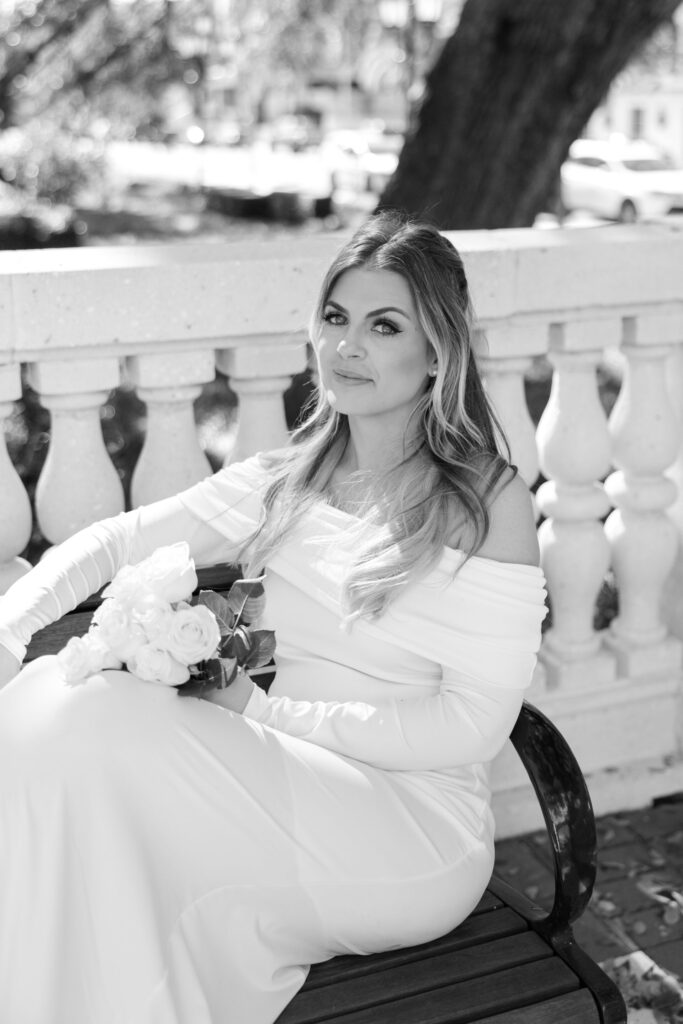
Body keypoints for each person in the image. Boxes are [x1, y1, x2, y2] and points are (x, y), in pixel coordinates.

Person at [0, 212, 546, 1024]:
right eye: (335, 318)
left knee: (102, 720)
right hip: (280, 769)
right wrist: (9, 629)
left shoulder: (482, 500)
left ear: (437, 352)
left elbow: (470, 725)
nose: (346, 347)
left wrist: (265, 713)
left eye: (382, 325)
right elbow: (113, 540)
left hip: (408, 828)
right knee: (56, 702)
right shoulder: (288, 479)